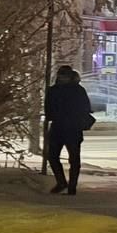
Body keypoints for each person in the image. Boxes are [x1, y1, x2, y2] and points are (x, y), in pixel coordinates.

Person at [44, 65, 93, 195]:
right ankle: (64, 183)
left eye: (64, 76)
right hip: (65, 128)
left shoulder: (73, 90)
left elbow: (49, 110)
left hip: (68, 127)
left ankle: (70, 185)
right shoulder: (70, 90)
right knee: (55, 156)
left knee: (71, 158)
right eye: (61, 75)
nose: (62, 78)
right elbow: (86, 108)